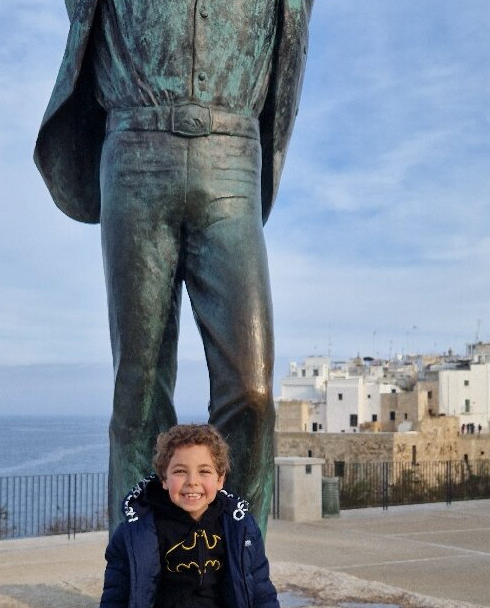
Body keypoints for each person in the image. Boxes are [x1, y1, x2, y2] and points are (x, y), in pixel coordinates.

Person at [35, 0, 314, 534]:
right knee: (138, 385)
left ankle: (234, 562)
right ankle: (141, 571)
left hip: (233, 156)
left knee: (252, 393)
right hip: (135, 146)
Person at [81, 424, 306, 608]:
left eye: (204, 471)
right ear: (163, 479)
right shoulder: (137, 532)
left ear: (220, 478)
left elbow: (261, 593)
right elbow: (114, 603)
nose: (192, 483)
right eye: (179, 472)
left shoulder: (238, 526)